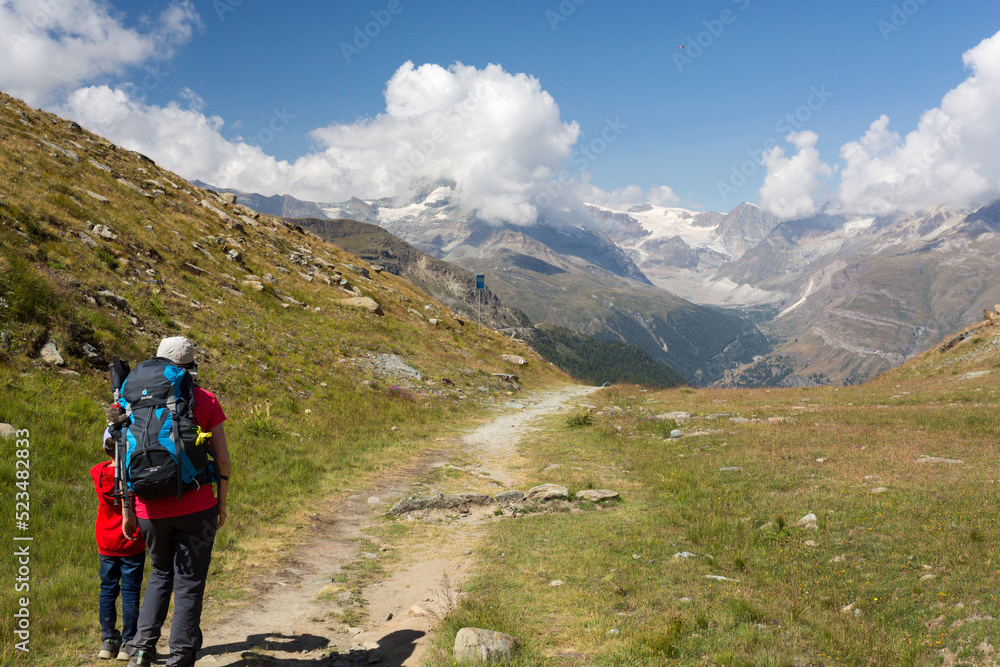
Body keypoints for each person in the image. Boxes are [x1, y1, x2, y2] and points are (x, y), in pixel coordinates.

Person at [123, 336, 231, 667]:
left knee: (159, 573)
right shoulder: (204, 399)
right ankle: (181, 656)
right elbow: (223, 461)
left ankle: (141, 649)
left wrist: (128, 510)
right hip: (197, 506)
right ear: (190, 365)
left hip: (147, 509)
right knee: (189, 580)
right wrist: (221, 503)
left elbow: (121, 458)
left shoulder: (130, 403)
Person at [91, 430, 147, 660]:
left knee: (107, 590)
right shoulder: (134, 473)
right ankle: (129, 642)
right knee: (131, 592)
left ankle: (108, 641)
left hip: (106, 541)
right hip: (132, 540)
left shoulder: (98, 471)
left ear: (105, 448)